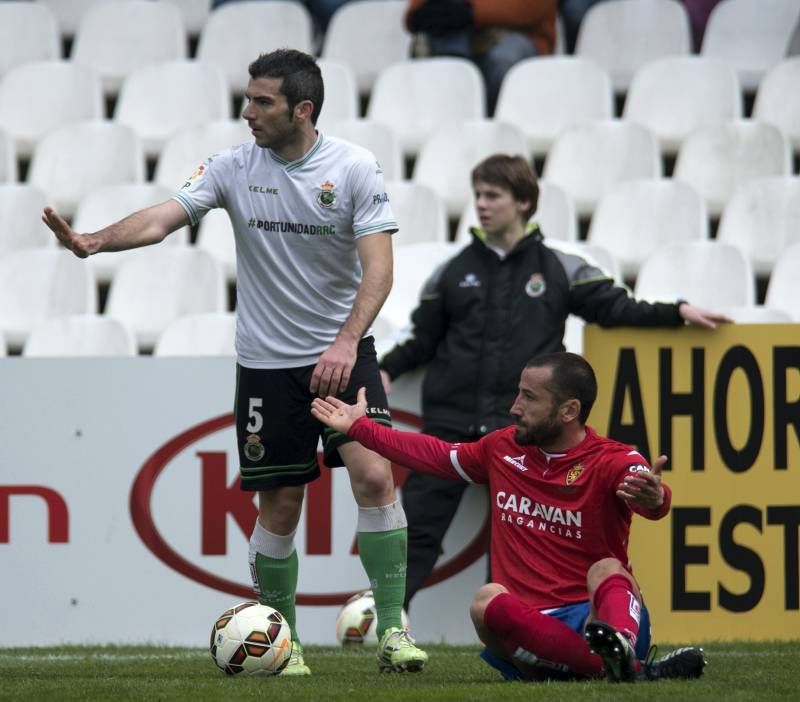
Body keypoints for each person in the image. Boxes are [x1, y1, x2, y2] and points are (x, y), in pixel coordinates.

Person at [41, 48, 427, 676]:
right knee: (280, 507)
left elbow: (379, 269)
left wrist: (347, 340)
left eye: (262, 101)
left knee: (376, 478)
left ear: (302, 109)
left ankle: (392, 633)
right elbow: (164, 218)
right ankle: (286, 643)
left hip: (343, 352)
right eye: (248, 98)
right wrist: (95, 241)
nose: (247, 112)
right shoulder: (231, 166)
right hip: (266, 367)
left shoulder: (354, 167)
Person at [379, 154, 730, 611]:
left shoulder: (562, 266)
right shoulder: (452, 270)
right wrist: (384, 368)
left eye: (493, 196)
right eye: (478, 195)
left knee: (518, 538)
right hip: (451, 419)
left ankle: (516, 628)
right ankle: (387, 626)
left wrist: (675, 311)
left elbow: (616, 308)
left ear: (523, 201)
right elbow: (421, 337)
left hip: (525, 429)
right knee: (418, 532)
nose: (481, 206)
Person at [312, 352, 708, 682]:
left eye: (529, 398)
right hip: (531, 632)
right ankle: (630, 671)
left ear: (569, 410)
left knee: (606, 568)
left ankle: (619, 651)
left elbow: (647, 496)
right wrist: (360, 429)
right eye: (519, 394)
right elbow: (433, 454)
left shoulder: (613, 459)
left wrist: (657, 496)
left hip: (598, 618)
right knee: (486, 603)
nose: (514, 407)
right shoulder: (500, 449)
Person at [405, 0, 558, 113]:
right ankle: (450, 125)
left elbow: (534, 7)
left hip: (521, 33)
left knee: (504, 59)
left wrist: (471, 12)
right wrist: (423, 14)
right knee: (441, 43)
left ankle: (497, 130)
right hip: (457, 34)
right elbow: (414, 13)